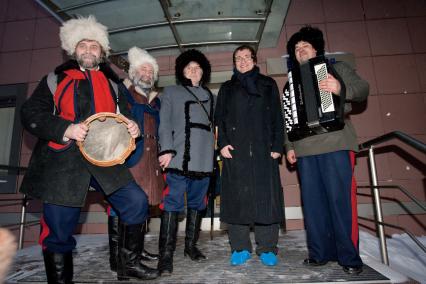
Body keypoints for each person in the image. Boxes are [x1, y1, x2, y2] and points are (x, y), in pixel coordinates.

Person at [19, 16, 158, 282]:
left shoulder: (114, 84)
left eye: (94, 46)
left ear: (102, 52)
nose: (88, 50)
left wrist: (133, 129)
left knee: (136, 203)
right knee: (58, 229)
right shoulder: (54, 80)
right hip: (63, 161)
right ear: (73, 50)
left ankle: (128, 263)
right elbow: (30, 113)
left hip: (103, 159)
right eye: (83, 45)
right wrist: (65, 129)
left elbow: (127, 118)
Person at [284, 26, 369, 275]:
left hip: (336, 143)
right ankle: (319, 254)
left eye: (305, 46)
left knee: (340, 201)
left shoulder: (337, 68)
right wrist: (289, 146)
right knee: (313, 205)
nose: (301, 50)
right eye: (297, 48)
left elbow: (362, 89)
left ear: (316, 49)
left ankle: (349, 258)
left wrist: (340, 88)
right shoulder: (291, 82)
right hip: (305, 149)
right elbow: (286, 119)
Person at [214, 45, 285, 266]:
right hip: (236, 152)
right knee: (237, 200)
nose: (243, 61)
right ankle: (240, 248)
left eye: (247, 57)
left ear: (255, 60)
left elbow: (276, 116)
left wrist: (277, 145)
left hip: (265, 151)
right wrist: (222, 144)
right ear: (234, 63)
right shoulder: (227, 88)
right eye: (238, 58)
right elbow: (219, 119)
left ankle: (267, 248)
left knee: (267, 198)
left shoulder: (268, 84)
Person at [157, 49, 215, 276]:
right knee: (171, 204)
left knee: (198, 204)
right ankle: (165, 257)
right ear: (182, 71)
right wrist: (167, 150)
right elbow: (164, 124)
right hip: (178, 157)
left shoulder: (211, 96)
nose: (193, 70)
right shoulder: (170, 92)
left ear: (203, 72)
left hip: (203, 159)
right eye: (189, 67)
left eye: (198, 67)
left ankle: (190, 247)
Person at [106, 46, 163, 272]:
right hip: (127, 158)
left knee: (143, 204)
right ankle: (117, 260)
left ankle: (135, 253)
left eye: (151, 71)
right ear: (133, 73)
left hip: (149, 159)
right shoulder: (122, 92)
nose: (147, 74)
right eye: (143, 70)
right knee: (119, 207)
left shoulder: (155, 100)